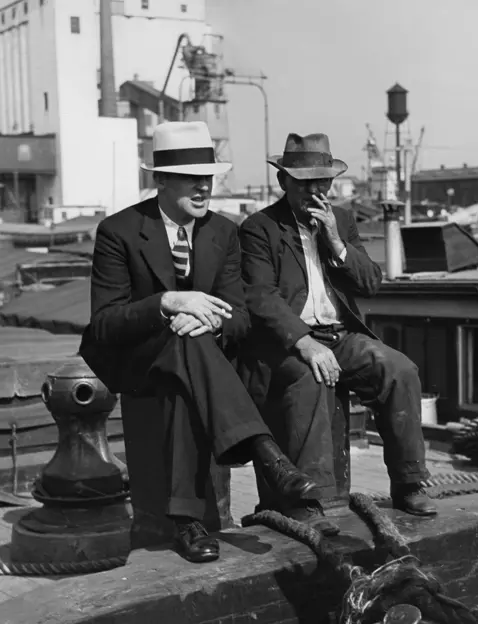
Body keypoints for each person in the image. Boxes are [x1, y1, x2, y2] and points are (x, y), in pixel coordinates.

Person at [79, 122, 319, 564]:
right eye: (192, 177)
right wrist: (169, 303)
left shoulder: (223, 233)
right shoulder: (120, 231)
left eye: (207, 176)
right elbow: (105, 325)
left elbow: (241, 317)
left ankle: (187, 522)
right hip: (137, 357)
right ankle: (268, 455)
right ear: (161, 181)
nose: (203, 186)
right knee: (183, 343)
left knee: (187, 361)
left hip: (194, 360)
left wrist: (204, 322)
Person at [239, 131, 437, 530]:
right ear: (284, 182)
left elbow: (370, 283)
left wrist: (334, 241)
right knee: (310, 380)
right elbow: (261, 297)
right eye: (305, 183)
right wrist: (306, 343)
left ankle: (410, 482)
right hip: (290, 342)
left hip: (340, 336)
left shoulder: (342, 220)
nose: (316, 191)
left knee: (398, 370)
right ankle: (312, 501)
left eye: (323, 182)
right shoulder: (259, 228)